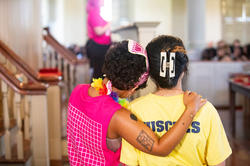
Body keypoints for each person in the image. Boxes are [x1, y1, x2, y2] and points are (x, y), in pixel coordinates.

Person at [67, 40, 206, 166]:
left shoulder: (77, 91)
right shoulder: (118, 117)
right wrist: (191, 109)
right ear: (133, 88)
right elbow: (160, 148)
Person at [120, 36, 232, 166]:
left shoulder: (134, 110)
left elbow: (129, 163)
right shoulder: (204, 109)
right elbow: (219, 164)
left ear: (149, 71)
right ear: (184, 69)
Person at [86, 0, 111, 79]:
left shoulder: (96, 12)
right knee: (98, 75)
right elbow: (99, 31)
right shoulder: (94, 12)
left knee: (99, 73)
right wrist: (109, 24)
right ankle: (95, 91)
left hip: (100, 46)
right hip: (98, 47)